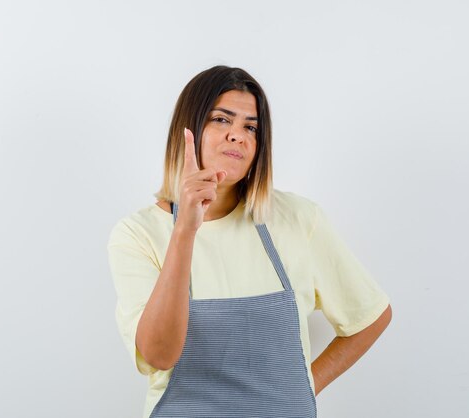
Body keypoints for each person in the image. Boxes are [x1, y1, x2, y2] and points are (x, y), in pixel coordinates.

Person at [107, 65, 392, 418]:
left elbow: (370, 318)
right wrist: (184, 231)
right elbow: (158, 355)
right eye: (222, 120)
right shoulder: (137, 235)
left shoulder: (298, 220)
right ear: (188, 128)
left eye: (250, 127)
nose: (237, 136)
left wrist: (304, 390)